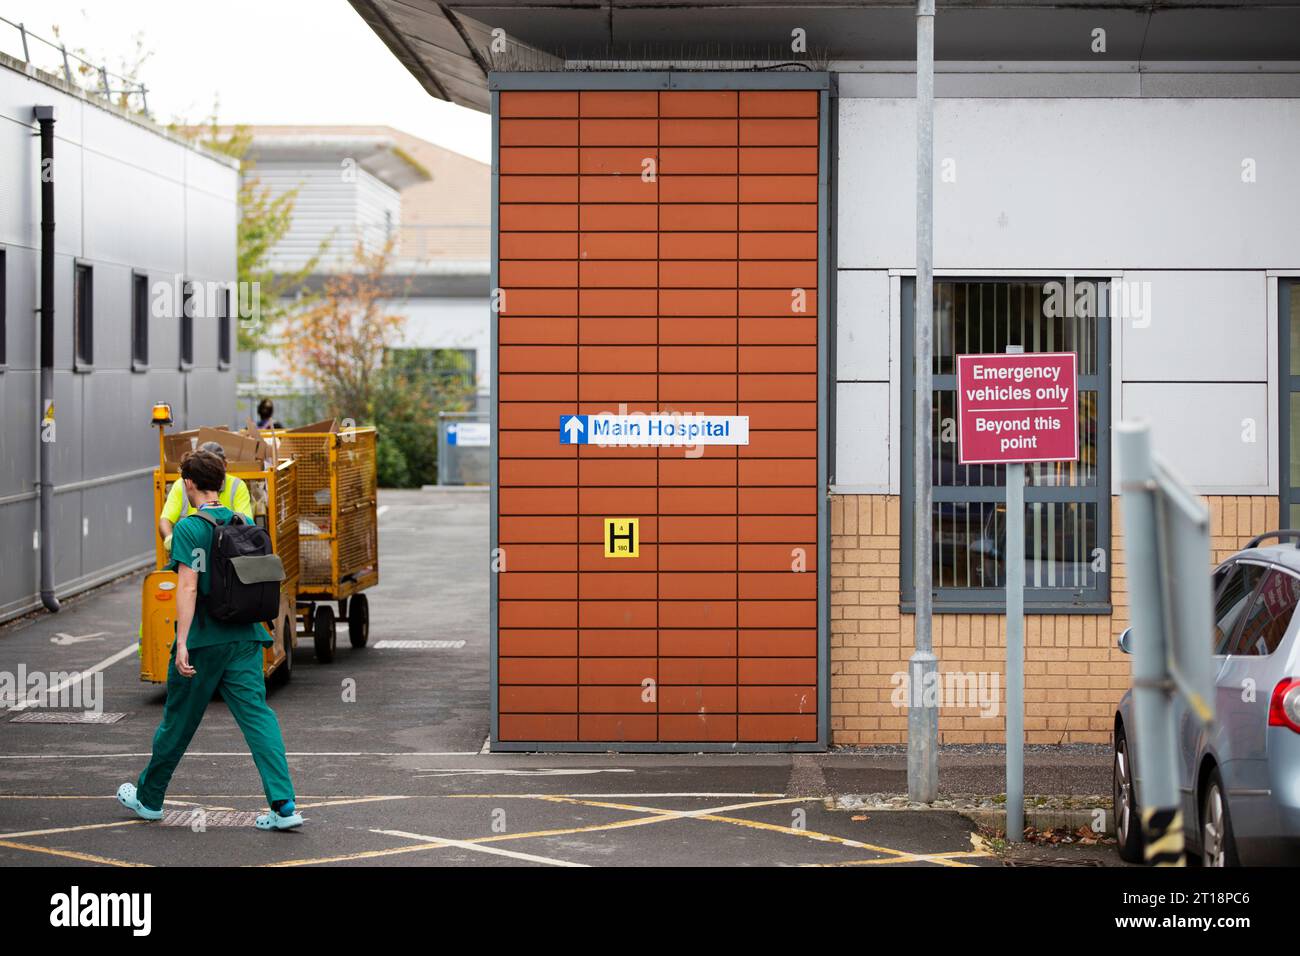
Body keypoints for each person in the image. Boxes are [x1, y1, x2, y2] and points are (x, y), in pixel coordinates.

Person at [118, 449, 302, 831]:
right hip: (248, 638)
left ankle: (150, 799)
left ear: (188, 484)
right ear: (221, 483)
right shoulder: (242, 522)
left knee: (178, 723)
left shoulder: (189, 528)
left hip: (204, 640)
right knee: (258, 719)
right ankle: (284, 806)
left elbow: (187, 586)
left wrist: (182, 641)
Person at [157, 441, 252, 553]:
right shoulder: (247, 522)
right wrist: (171, 542)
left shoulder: (185, 528)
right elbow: (165, 520)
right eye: (204, 467)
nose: (207, 470)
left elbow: (194, 569)